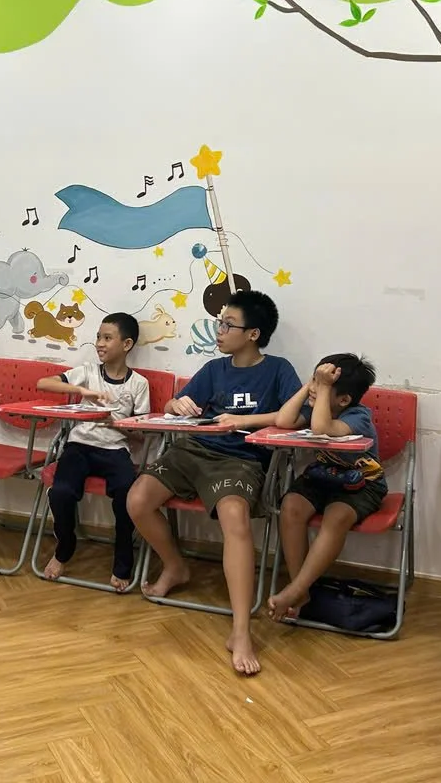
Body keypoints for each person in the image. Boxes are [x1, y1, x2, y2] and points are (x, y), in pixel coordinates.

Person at [126, 289, 300, 676]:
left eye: (227, 324)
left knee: (234, 518)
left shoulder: (279, 370)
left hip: (240, 458)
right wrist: (177, 405)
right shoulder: (213, 370)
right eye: (219, 323)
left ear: (253, 334)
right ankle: (175, 567)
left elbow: (297, 418)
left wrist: (243, 421)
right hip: (193, 450)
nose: (218, 331)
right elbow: (176, 406)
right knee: (137, 499)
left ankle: (241, 631)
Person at [36, 312, 151, 591]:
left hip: (115, 449)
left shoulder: (139, 384)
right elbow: (44, 383)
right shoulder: (87, 371)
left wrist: (113, 422)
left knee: (127, 494)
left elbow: (142, 435)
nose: (100, 343)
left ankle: (123, 561)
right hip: (79, 446)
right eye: (98, 337)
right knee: (61, 491)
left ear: (126, 345)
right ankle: (65, 546)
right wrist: (81, 392)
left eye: (107, 338)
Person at [268, 353, 382, 621]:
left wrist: (322, 388)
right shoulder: (318, 405)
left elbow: (321, 429)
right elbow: (283, 421)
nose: (316, 388)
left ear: (343, 399)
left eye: (323, 385)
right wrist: (311, 385)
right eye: (316, 380)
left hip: (363, 483)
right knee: (290, 506)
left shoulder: (358, 415)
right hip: (323, 477)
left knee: (336, 516)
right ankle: (302, 591)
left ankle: (295, 589)